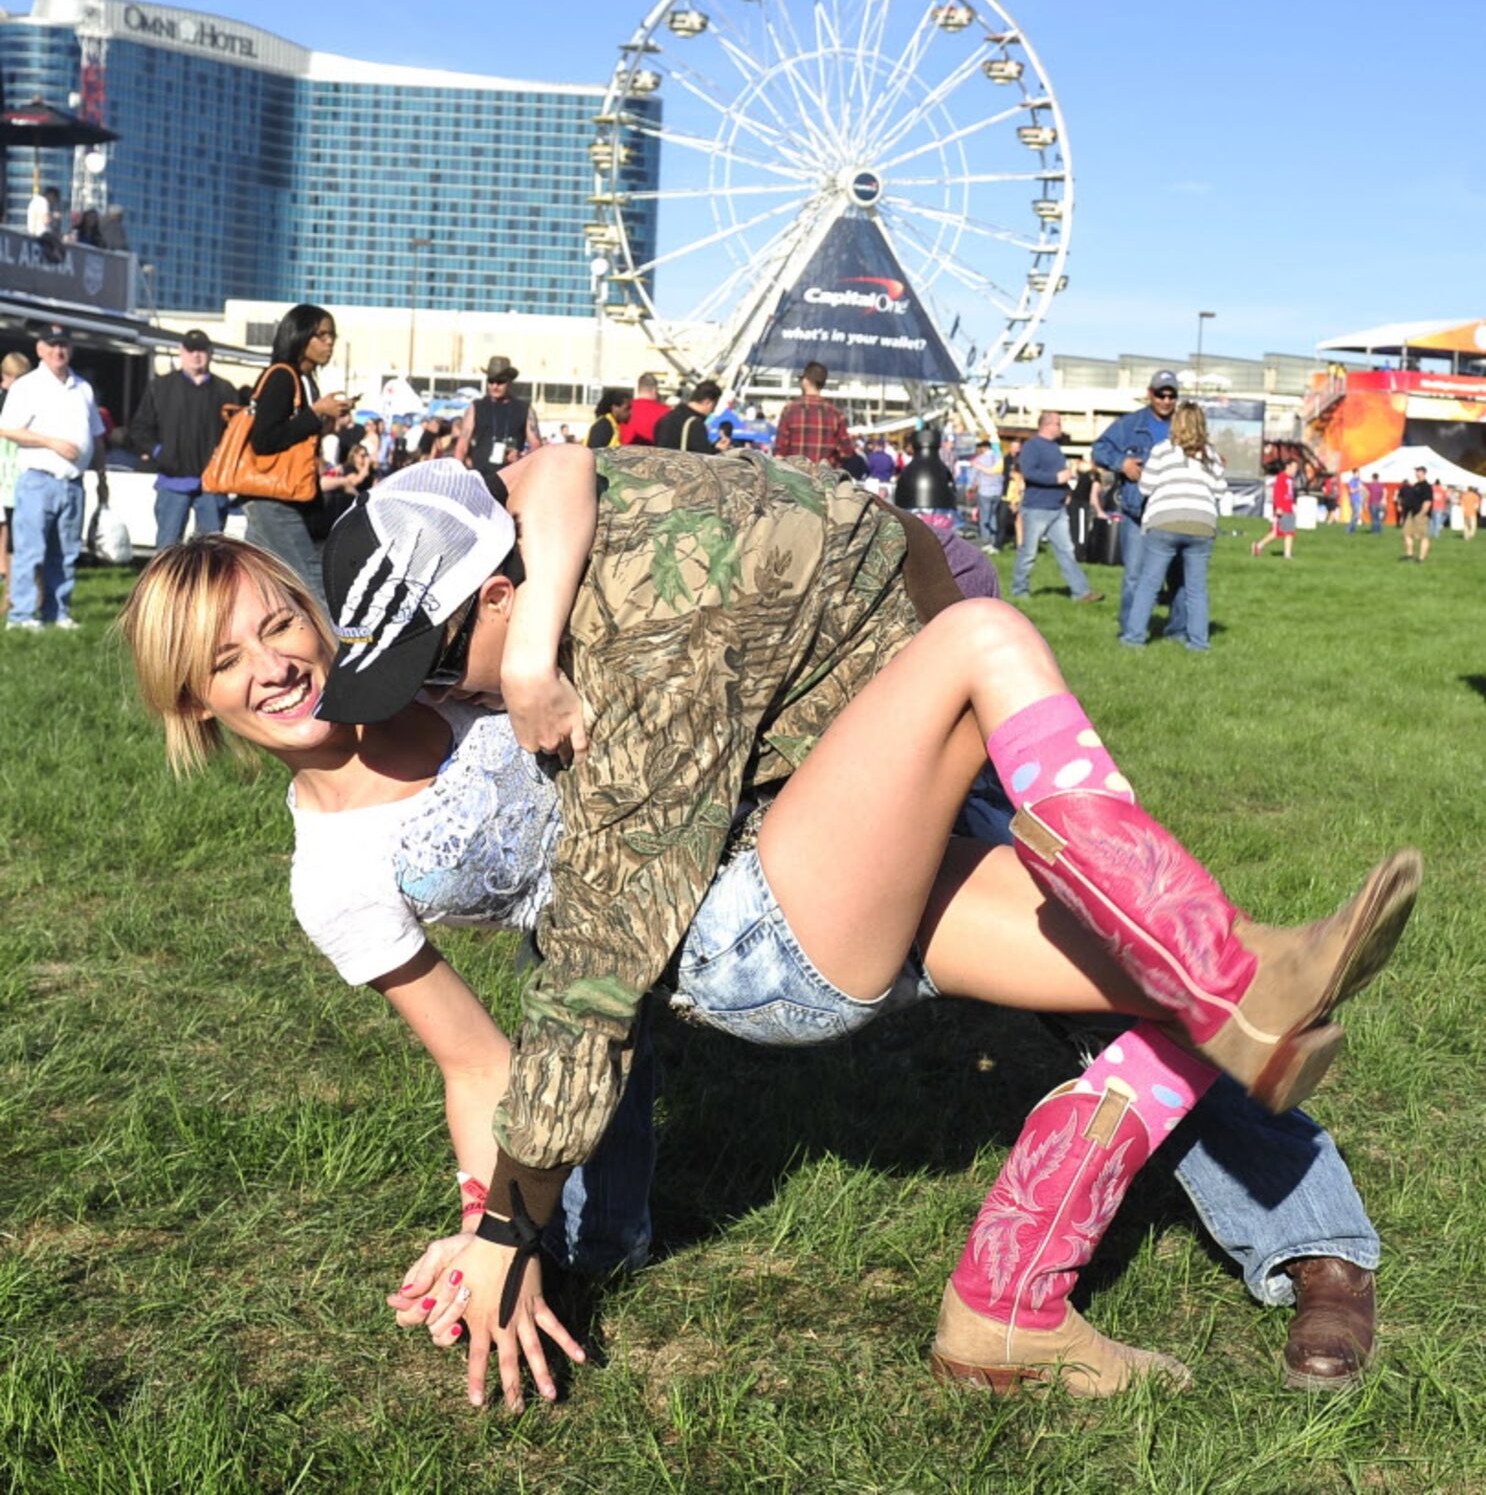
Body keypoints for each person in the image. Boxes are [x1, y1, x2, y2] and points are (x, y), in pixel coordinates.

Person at [122, 522, 1390, 1409]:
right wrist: (490, 1232)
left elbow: (560, 502)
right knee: (982, 653)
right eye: (223, 664)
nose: (272, 664)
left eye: (278, 622)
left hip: (780, 822)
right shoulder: (334, 875)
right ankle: (1223, 971)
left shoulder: (441, 670)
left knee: (1180, 989)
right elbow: (480, 1058)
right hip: (731, 921)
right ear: (193, 710)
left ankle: (1066, 1287)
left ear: (320, 612)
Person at [0, 323, 107, 630]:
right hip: (38, 480)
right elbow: (8, 429)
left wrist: (101, 477)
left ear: (70, 349)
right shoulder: (28, 386)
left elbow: (97, 437)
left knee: (66, 552)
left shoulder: (83, 388)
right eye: (52, 345)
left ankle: (57, 611)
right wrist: (52, 443)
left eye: (63, 345)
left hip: (73, 483)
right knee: (30, 550)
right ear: (40, 350)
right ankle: (21, 615)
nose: (58, 351)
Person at [242, 305, 348, 606]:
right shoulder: (281, 378)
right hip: (273, 500)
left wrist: (324, 421)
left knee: (263, 588)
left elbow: (293, 437)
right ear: (300, 336)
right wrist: (316, 414)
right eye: (322, 335)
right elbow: (264, 440)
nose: (329, 343)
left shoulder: (306, 381)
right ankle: (339, 651)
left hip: (286, 497)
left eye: (332, 336)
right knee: (313, 584)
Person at [1121, 403, 1225, 651]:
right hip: (1202, 523)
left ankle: (1134, 637)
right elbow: (1220, 490)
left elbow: (1145, 487)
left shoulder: (1162, 450)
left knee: (1149, 583)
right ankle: (1199, 642)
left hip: (1164, 521)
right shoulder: (1211, 455)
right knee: (1196, 588)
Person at [127, 329, 239, 547]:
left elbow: (236, 432)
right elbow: (140, 429)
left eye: (201, 350)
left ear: (210, 353)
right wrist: (161, 453)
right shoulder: (161, 386)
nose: (196, 355)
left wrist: (224, 459)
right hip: (172, 481)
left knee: (212, 552)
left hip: (212, 484)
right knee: (168, 549)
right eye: (191, 350)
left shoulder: (225, 390)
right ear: (181, 352)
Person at [1092, 373, 1183, 638]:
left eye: (1171, 395)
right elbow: (1099, 449)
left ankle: (1178, 631)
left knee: (1178, 577)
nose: (1166, 400)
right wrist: (1122, 463)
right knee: (1134, 575)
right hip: (1137, 513)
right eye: (1160, 394)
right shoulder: (1129, 424)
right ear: (1149, 393)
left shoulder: (1184, 425)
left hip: (1173, 512)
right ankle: (1131, 629)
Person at [1010, 412, 1103, 604]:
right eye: (1058, 424)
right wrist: (1056, 479)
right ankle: (1019, 590)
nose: (1061, 428)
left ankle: (1081, 592)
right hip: (1036, 508)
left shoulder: (1055, 447)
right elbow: (1028, 472)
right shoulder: (1032, 446)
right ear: (1047, 425)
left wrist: (1065, 490)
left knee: (1067, 551)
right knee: (1028, 552)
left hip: (1057, 508)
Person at [454, 360, 541, 491]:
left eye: (500, 382)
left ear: (510, 382)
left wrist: (521, 457)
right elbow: (462, 444)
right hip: (480, 479)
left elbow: (537, 446)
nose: (494, 386)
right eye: (491, 381)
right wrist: (457, 476)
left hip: (512, 480)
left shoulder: (524, 409)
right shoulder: (476, 406)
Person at [773, 361, 854, 466]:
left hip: (795, 476)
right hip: (823, 478)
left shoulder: (790, 410)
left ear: (806, 381)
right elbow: (846, 452)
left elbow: (779, 452)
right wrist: (831, 462)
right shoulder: (835, 414)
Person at [0, 350, 31, 612]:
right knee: (10, 539)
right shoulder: (5, 400)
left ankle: (18, 593)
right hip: (6, 477)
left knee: (21, 539)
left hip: (20, 478)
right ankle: (10, 593)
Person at [652, 378, 720, 453]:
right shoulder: (694, 423)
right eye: (714, 406)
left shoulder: (666, 418)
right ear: (707, 402)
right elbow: (703, 457)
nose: (712, 411)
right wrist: (717, 449)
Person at [1252, 459, 1298, 561]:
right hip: (1282, 509)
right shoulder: (1281, 477)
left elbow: (1291, 494)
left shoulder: (1291, 479)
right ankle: (1258, 545)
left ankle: (1287, 554)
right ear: (1288, 466)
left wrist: (1294, 505)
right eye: (1294, 467)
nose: (1295, 470)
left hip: (1289, 508)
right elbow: (1277, 493)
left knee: (1289, 532)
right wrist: (1278, 507)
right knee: (1276, 533)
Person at [967, 437, 1004, 548]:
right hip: (998, 491)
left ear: (983, 448)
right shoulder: (999, 458)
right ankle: (993, 538)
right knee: (993, 515)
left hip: (985, 491)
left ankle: (985, 539)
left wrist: (970, 488)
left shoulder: (979, 460)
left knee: (984, 516)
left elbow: (973, 476)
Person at [620, 372, 668, 447]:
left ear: (638, 389)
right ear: (654, 390)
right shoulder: (667, 412)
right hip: (655, 456)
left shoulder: (624, 409)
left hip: (624, 455)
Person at [1396, 467, 1433, 563]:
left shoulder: (1426, 486)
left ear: (1424, 473)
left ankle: (1421, 558)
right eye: (1416, 472)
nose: (1417, 473)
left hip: (1421, 514)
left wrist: (1422, 513)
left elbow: (1427, 501)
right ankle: (1410, 555)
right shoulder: (1415, 485)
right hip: (1411, 513)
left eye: (1419, 472)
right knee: (1406, 534)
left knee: (1423, 536)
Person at [1345, 470, 1364, 535]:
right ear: (1354, 474)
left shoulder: (1359, 481)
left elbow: (1362, 490)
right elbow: (1351, 491)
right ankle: (1349, 528)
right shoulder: (1352, 481)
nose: (1358, 475)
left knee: (1356, 515)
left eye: (1359, 474)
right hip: (1354, 499)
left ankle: (1352, 529)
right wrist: (1358, 489)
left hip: (1358, 499)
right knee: (1355, 514)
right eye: (1357, 474)